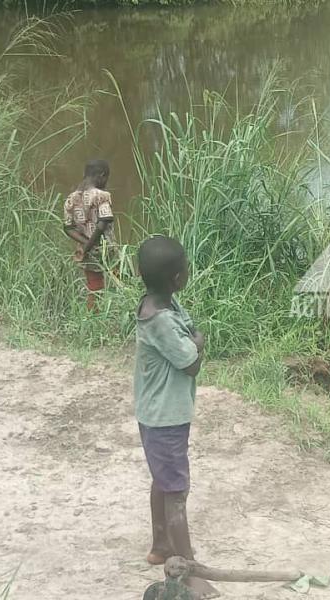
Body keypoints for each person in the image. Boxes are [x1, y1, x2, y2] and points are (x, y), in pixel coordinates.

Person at [133, 235, 218, 599]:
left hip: (157, 414)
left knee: (162, 480)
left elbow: (187, 329)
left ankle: (160, 545)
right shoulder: (162, 322)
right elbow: (191, 363)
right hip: (165, 418)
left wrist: (193, 337)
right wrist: (198, 342)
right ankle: (189, 569)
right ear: (178, 277)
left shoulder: (159, 303)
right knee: (177, 490)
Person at [63, 159, 116, 310]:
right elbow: (102, 223)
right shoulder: (102, 196)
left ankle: (93, 318)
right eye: (106, 178)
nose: (106, 182)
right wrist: (91, 244)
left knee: (94, 286)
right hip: (107, 248)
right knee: (123, 279)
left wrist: (85, 244)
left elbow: (68, 227)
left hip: (86, 252)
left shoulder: (71, 199)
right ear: (102, 175)